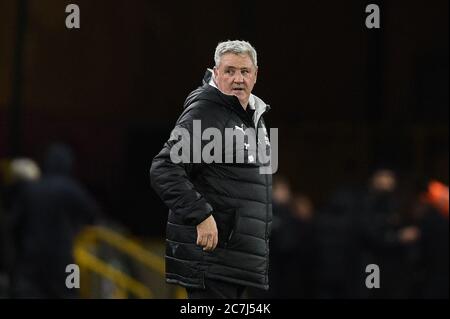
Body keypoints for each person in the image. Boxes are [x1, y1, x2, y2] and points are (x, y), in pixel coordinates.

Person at [150, 40, 273, 299]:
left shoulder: (254, 115)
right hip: (212, 261)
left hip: (236, 263)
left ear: (256, 74)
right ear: (215, 73)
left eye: (244, 71)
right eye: (229, 71)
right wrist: (201, 215)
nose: (238, 79)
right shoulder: (207, 110)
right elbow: (164, 168)